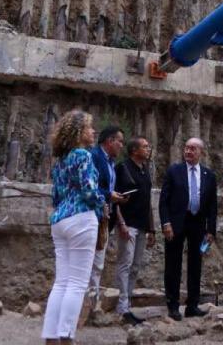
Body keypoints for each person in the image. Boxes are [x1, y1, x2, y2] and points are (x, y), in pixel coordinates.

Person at [41, 110, 104, 345]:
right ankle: (66, 336)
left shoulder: (60, 161)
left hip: (60, 220)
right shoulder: (83, 156)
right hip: (81, 219)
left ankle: (51, 336)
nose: (92, 131)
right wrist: (103, 202)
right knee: (77, 284)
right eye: (89, 127)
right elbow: (89, 191)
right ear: (79, 133)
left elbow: (55, 195)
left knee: (61, 282)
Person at [159, 137, 218, 321]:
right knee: (173, 264)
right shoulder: (174, 171)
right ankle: (173, 305)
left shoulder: (209, 175)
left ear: (201, 152)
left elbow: (212, 206)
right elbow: (163, 201)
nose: (188, 151)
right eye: (186, 148)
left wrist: (211, 230)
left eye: (193, 149)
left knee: (195, 264)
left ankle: (192, 305)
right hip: (176, 223)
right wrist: (166, 223)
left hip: (197, 223)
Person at [113, 137, 156, 325]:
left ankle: (128, 303)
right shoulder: (122, 168)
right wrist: (121, 224)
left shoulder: (145, 170)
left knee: (136, 265)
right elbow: (114, 198)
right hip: (127, 223)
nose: (148, 149)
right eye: (145, 146)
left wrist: (152, 228)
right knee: (125, 263)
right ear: (134, 150)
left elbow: (147, 202)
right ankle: (122, 307)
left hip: (141, 224)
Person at [88, 126, 125, 309]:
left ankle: (92, 305)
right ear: (110, 141)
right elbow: (89, 187)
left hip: (104, 218)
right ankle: (86, 305)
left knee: (97, 263)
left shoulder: (110, 162)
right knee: (89, 262)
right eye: (120, 141)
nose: (121, 146)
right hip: (91, 216)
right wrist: (109, 195)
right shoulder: (94, 157)